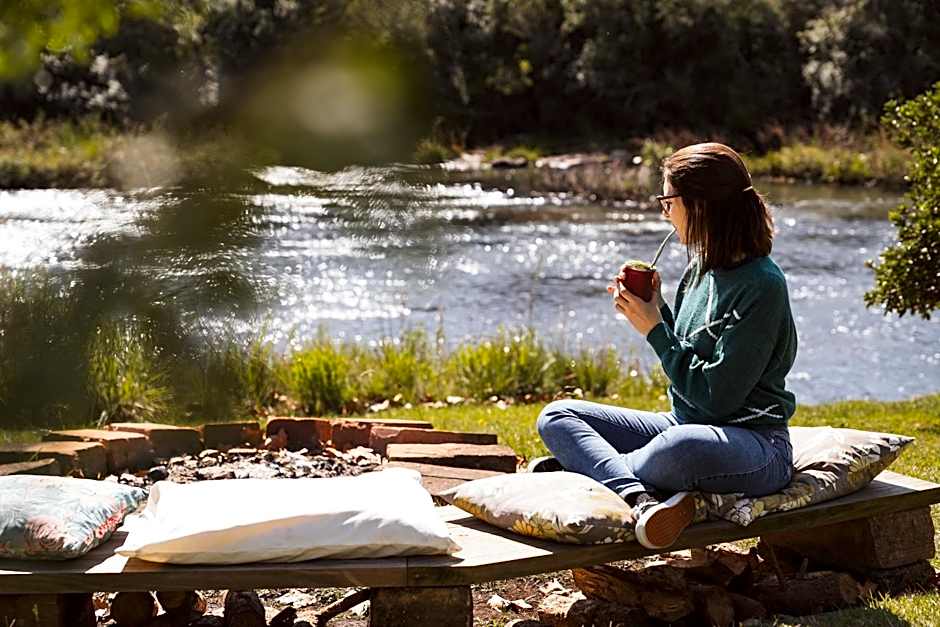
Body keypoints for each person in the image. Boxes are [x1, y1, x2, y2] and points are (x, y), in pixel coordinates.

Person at [533, 142, 797, 550]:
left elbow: (716, 400)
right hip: (682, 422)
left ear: (700, 206)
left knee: (678, 449)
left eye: (668, 202)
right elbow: (691, 354)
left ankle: (594, 471)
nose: (664, 213)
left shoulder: (763, 285)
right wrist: (658, 311)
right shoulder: (699, 269)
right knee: (557, 416)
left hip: (755, 445)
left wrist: (655, 331)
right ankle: (639, 496)